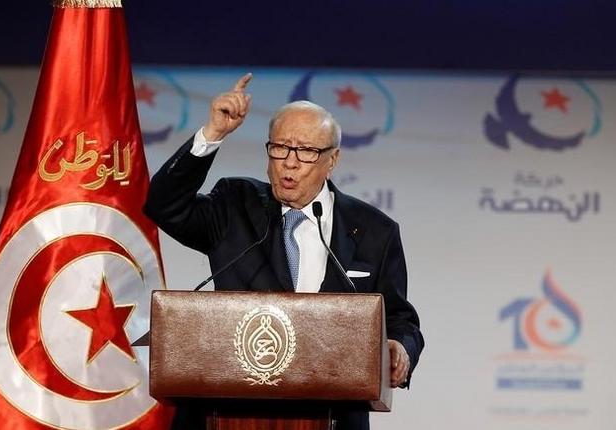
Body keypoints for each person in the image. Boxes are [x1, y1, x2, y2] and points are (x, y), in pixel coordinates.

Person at [144, 73, 423, 430]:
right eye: (280, 148)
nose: (289, 162)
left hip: (332, 417)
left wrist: (399, 346)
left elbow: (400, 318)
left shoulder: (374, 231)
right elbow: (163, 206)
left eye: (306, 151)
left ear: (332, 159)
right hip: (227, 414)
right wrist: (212, 134)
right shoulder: (234, 205)